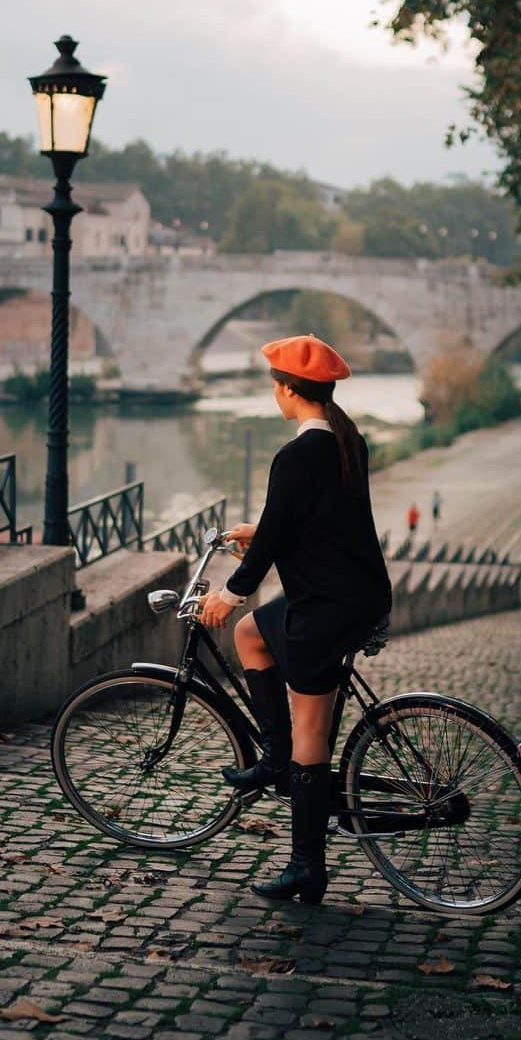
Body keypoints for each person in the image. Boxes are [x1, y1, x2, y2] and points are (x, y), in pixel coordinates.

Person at [198, 333, 392, 906]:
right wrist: (260, 531)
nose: (275, 395)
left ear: (288, 391)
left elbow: (277, 537)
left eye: (275, 388)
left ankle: (308, 868)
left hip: (327, 607)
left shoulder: (296, 453)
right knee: (252, 635)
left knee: (313, 736)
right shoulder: (343, 441)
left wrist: (228, 593)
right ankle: (274, 758)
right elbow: (314, 517)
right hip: (354, 594)